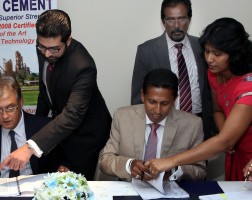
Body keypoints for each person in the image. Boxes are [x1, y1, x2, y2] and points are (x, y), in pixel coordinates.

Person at [0, 9, 112, 180]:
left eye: (54, 49)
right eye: (42, 47)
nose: (46, 54)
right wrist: (33, 130)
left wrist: (30, 146)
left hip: (85, 136)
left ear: (69, 40)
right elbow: (45, 90)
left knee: (75, 186)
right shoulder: (45, 46)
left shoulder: (83, 66)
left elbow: (72, 115)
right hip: (58, 129)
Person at [146, 17, 252, 181]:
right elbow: (217, 110)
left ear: (236, 54)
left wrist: (171, 161)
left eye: (217, 54)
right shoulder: (214, 73)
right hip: (235, 151)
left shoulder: (247, 88)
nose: (209, 59)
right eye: (207, 51)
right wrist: (229, 139)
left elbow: (223, 141)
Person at [99, 68, 206, 182]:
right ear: (142, 96)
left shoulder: (193, 124)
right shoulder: (122, 117)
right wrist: (129, 165)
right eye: (152, 102)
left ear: (174, 99)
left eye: (165, 103)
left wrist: (174, 171)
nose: (157, 110)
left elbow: (200, 171)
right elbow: (105, 160)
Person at [131, 0, 214, 140]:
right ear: (163, 21)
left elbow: (213, 89)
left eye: (181, 18)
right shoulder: (146, 51)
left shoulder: (203, 47)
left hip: (199, 124)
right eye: (170, 19)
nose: (176, 26)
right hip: (163, 124)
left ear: (189, 19)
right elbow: (138, 99)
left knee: (197, 162)